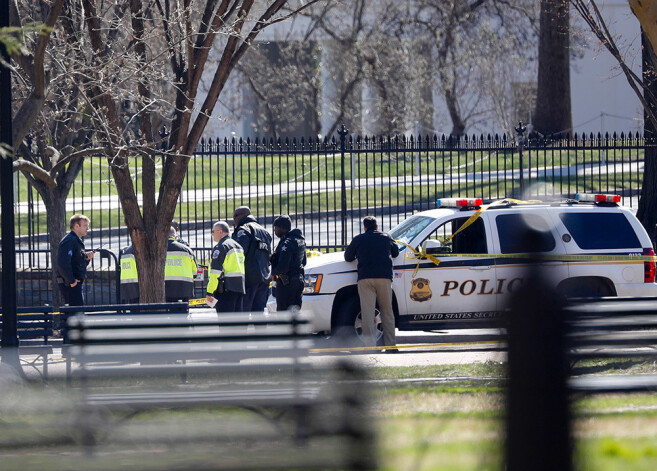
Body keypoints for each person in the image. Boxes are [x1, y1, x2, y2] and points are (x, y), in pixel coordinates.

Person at [344, 215, 399, 350]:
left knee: (367, 313)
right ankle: (391, 345)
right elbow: (396, 253)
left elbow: (348, 257)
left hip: (365, 278)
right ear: (377, 227)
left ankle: (370, 346)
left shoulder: (359, 239)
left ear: (364, 227)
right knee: (387, 311)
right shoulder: (386, 237)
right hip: (384, 277)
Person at [232, 206, 272, 312]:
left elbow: (239, 253)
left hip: (249, 278)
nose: (234, 219)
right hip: (264, 278)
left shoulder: (244, 230)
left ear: (244, 215)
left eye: (236, 216)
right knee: (258, 313)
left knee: (243, 313)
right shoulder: (264, 231)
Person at [206, 221, 246, 313]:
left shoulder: (221, 247)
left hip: (224, 290)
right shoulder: (238, 246)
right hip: (239, 288)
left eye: (213, 231)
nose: (212, 234)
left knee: (225, 322)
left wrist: (209, 291)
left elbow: (215, 272)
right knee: (237, 321)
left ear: (220, 232)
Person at [56, 214, 95, 306]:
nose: (88, 228)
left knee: (76, 313)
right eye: (85, 225)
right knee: (75, 314)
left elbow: (77, 262)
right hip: (70, 284)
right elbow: (63, 263)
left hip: (74, 283)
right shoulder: (70, 240)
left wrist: (86, 258)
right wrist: (71, 281)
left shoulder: (76, 240)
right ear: (76, 226)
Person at [271, 215, 307, 311]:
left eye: (276, 227)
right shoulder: (300, 240)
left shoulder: (286, 244)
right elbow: (304, 261)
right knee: (294, 311)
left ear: (282, 228)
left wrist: (273, 272)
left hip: (286, 283)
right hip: (298, 280)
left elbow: (283, 267)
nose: (275, 230)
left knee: (283, 312)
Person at [165, 226, 198, 302]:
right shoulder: (187, 250)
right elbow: (195, 272)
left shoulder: (159, 250)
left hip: (165, 288)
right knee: (183, 311)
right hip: (185, 288)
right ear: (175, 236)